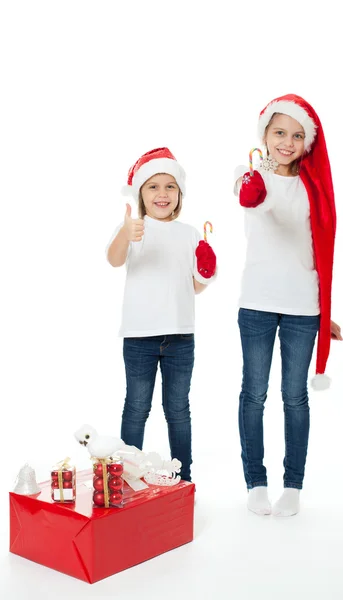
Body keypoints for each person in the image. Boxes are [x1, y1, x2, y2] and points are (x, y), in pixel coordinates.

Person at [234, 94, 342, 516]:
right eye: (280, 132)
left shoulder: (313, 189)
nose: (287, 141)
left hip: (303, 306)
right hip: (257, 303)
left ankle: (292, 486)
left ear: (307, 143)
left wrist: (326, 311)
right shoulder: (246, 177)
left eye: (297, 135)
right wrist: (259, 180)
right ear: (265, 134)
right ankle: (255, 483)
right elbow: (256, 202)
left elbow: (320, 251)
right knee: (254, 394)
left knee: (294, 398)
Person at [107, 147, 217, 482]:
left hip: (181, 337)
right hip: (139, 337)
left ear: (179, 193)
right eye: (153, 186)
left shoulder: (190, 233)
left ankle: (183, 480)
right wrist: (126, 233)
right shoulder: (134, 227)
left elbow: (195, 287)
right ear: (141, 192)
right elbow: (113, 259)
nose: (162, 193)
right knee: (137, 408)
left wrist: (206, 271)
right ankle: (124, 478)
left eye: (169, 186)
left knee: (178, 410)